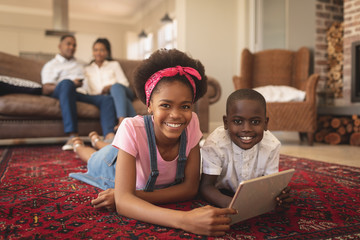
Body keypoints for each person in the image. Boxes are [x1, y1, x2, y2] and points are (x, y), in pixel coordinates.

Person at [69, 49, 236, 236]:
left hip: (133, 164)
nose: (176, 115)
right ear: (149, 105)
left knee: (110, 147)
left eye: (185, 106)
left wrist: (133, 196)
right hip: (112, 167)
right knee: (95, 158)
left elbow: (190, 188)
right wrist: (184, 219)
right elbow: (123, 204)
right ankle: (80, 144)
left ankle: (99, 140)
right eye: (165, 105)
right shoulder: (131, 127)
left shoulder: (192, 123)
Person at [200, 89, 292, 209]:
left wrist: (278, 196)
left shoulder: (272, 145)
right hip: (222, 189)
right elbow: (206, 187)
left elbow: (271, 185)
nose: (247, 129)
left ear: (265, 123)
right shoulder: (215, 144)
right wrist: (231, 205)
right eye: (238, 121)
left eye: (255, 121)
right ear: (226, 122)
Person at [41, 35, 117, 151]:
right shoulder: (51, 65)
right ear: (60, 46)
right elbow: (46, 88)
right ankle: (73, 136)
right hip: (63, 91)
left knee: (106, 99)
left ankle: (109, 137)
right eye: (68, 44)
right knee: (67, 83)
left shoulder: (81, 63)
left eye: (74, 45)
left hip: (82, 94)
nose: (71, 47)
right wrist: (72, 84)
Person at [84, 38, 136, 130]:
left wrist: (110, 87)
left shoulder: (114, 64)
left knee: (115, 87)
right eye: (96, 50)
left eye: (102, 50)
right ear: (92, 52)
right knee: (121, 100)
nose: (98, 53)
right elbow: (87, 89)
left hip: (122, 91)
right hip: (106, 97)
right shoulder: (87, 69)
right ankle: (136, 127)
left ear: (107, 52)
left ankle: (121, 121)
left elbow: (124, 83)